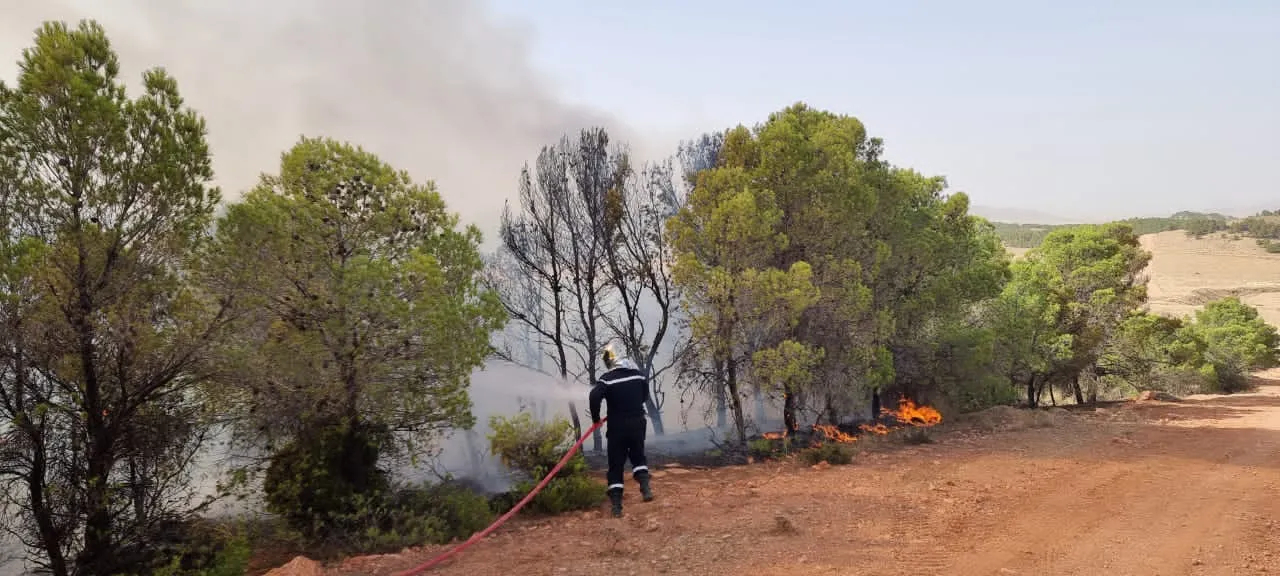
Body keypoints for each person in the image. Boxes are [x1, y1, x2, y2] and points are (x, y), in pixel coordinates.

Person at [589, 346, 654, 518]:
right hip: (637, 423)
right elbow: (645, 396)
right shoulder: (638, 374)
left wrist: (596, 419)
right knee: (638, 456)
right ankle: (646, 489)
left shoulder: (607, 379)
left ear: (609, 362)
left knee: (616, 464)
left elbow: (594, 396)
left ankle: (617, 506)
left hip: (617, 427)